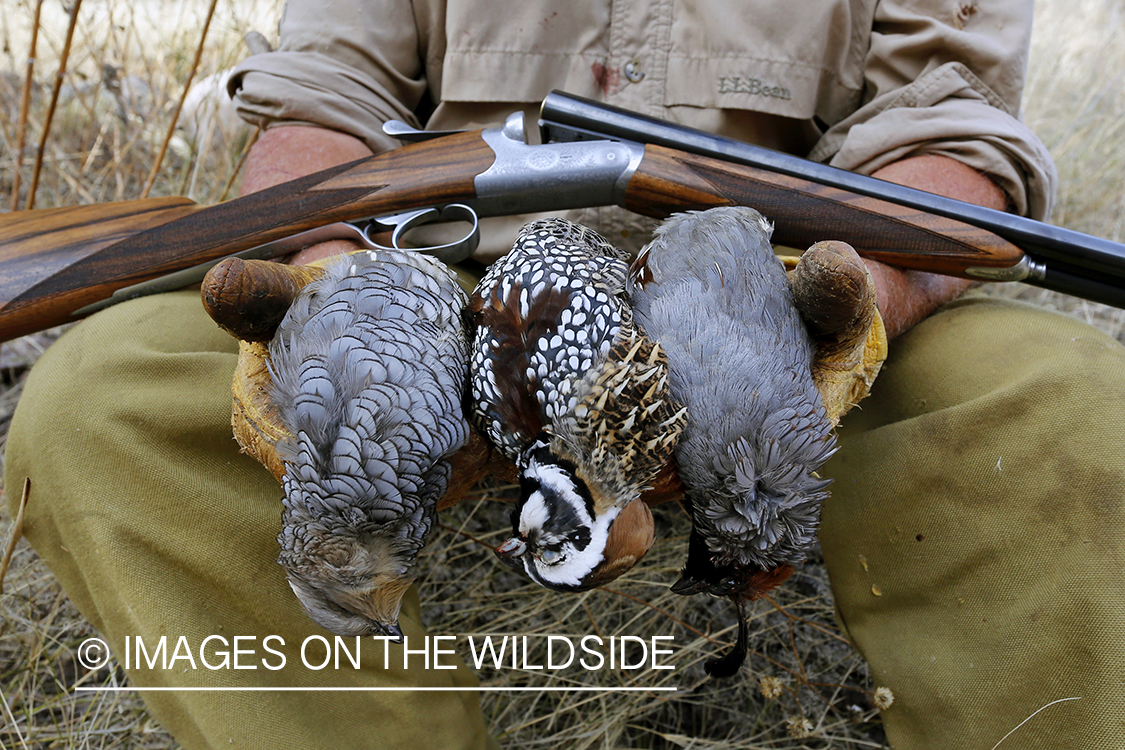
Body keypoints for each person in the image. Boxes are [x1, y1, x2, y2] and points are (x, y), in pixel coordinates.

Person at [5, 1, 1123, 749]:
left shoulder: (797, 313)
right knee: (99, 399)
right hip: (427, 294)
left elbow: (947, 133)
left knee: (1068, 413)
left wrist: (827, 326)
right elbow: (320, 106)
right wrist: (341, 293)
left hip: (769, 299)